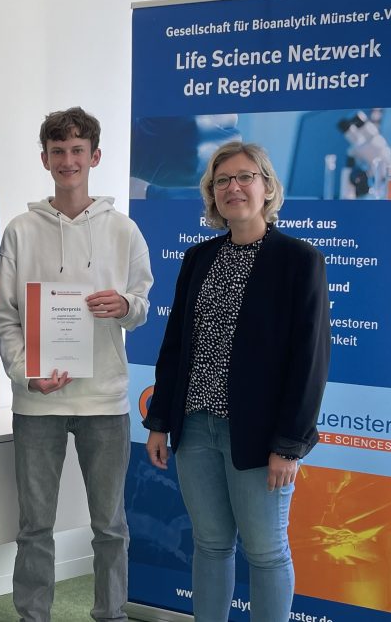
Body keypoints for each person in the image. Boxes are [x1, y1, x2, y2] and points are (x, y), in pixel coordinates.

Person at [143, 141, 330, 622]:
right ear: (212, 194)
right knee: (210, 544)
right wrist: (159, 421)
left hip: (260, 435)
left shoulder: (298, 260)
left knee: (266, 552)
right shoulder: (199, 258)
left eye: (245, 176)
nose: (234, 187)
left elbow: (309, 360)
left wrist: (289, 445)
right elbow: (175, 347)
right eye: (222, 180)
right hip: (195, 428)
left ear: (267, 186)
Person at [0, 107, 153, 622]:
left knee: (109, 525)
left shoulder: (124, 231)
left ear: (95, 156)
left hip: (105, 399)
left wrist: (125, 306)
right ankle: (32, 617)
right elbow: (3, 316)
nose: (68, 160)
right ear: (44, 159)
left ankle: (112, 615)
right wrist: (24, 372)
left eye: (77, 150)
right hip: (39, 401)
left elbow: (143, 305)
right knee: (35, 525)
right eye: (57, 151)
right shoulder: (19, 231)